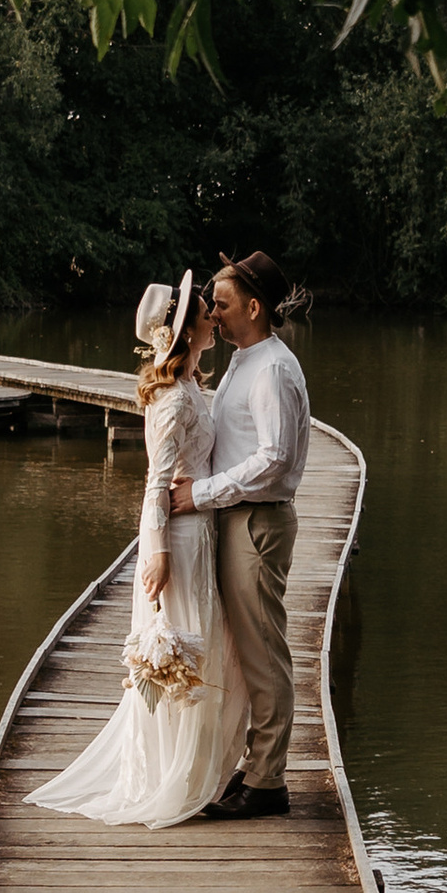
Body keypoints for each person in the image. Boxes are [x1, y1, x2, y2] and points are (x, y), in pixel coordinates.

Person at [27, 275, 248, 829]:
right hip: (181, 541)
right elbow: (155, 482)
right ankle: (172, 774)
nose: (213, 318)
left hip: (203, 530)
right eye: (205, 312)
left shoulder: (191, 385)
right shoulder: (171, 399)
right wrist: (155, 553)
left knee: (201, 648)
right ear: (185, 331)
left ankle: (197, 769)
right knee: (182, 650)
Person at [170, 248, 311, 819]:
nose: (213, 313)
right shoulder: (244, 360)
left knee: (263, 652)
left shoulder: (272, 368)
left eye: (222, 304)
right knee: (245, 650)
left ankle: (268, 782)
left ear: (254, 308)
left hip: (257, 521)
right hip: (237, 518)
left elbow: (274, 458)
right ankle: (253, 766)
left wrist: (200, 493)